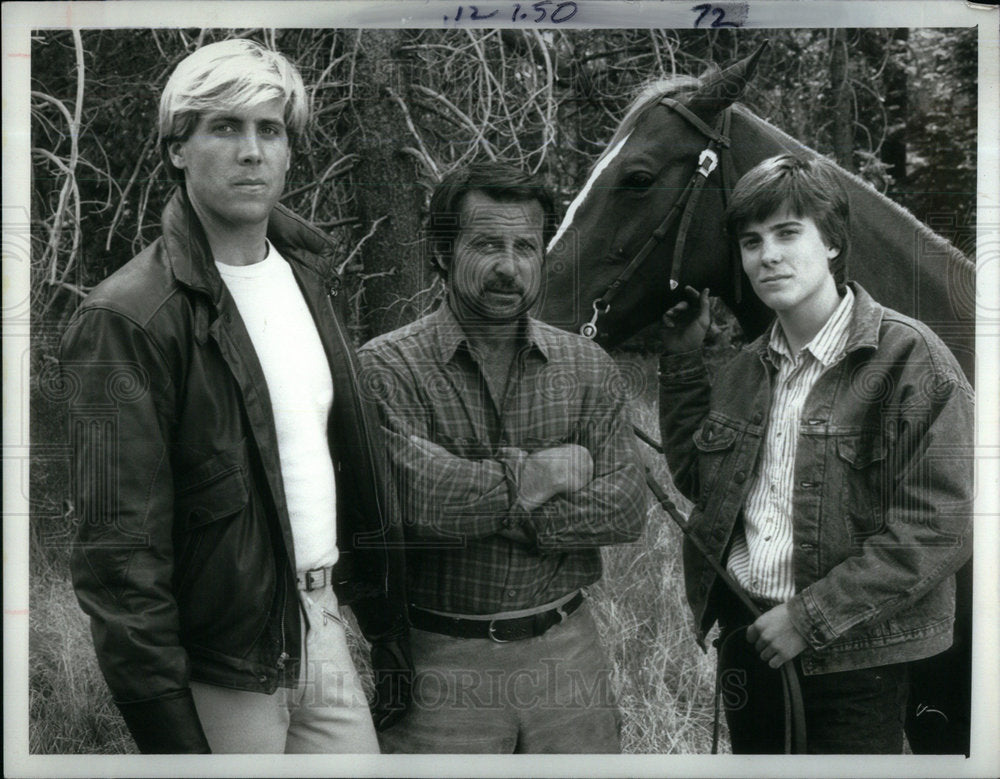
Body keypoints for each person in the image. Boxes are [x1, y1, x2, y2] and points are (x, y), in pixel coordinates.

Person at [60, 39, 410, 754]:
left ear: (288, 150)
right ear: (178, 149)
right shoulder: (127, 317)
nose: (251, 150)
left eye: (269, 129)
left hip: (322, 626)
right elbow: (117, 554)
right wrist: (168, 728)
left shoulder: (308, 276)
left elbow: (341, 460)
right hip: (221, 663)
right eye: (224, 126)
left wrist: (381, 620)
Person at [657, 154, 973, 753]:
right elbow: (701, 482)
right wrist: (679, 363)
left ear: (831, 241)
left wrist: (809, 618)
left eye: (787, 232)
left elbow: (941, 526)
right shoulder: (746, 368)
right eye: (751, 241)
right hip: (751, 641)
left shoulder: (911, 361)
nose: (767, 255)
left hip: (855, 657)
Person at [357, 162, 647, 753]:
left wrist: (486, 502)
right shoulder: (385, 369)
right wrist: (541, 475)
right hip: (440, 662)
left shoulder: (587, 368)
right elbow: (421, 504)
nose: (508, 267)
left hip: (569, 656)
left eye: (526, 247)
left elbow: (624, 508)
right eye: (486, 245)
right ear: (441, 251)